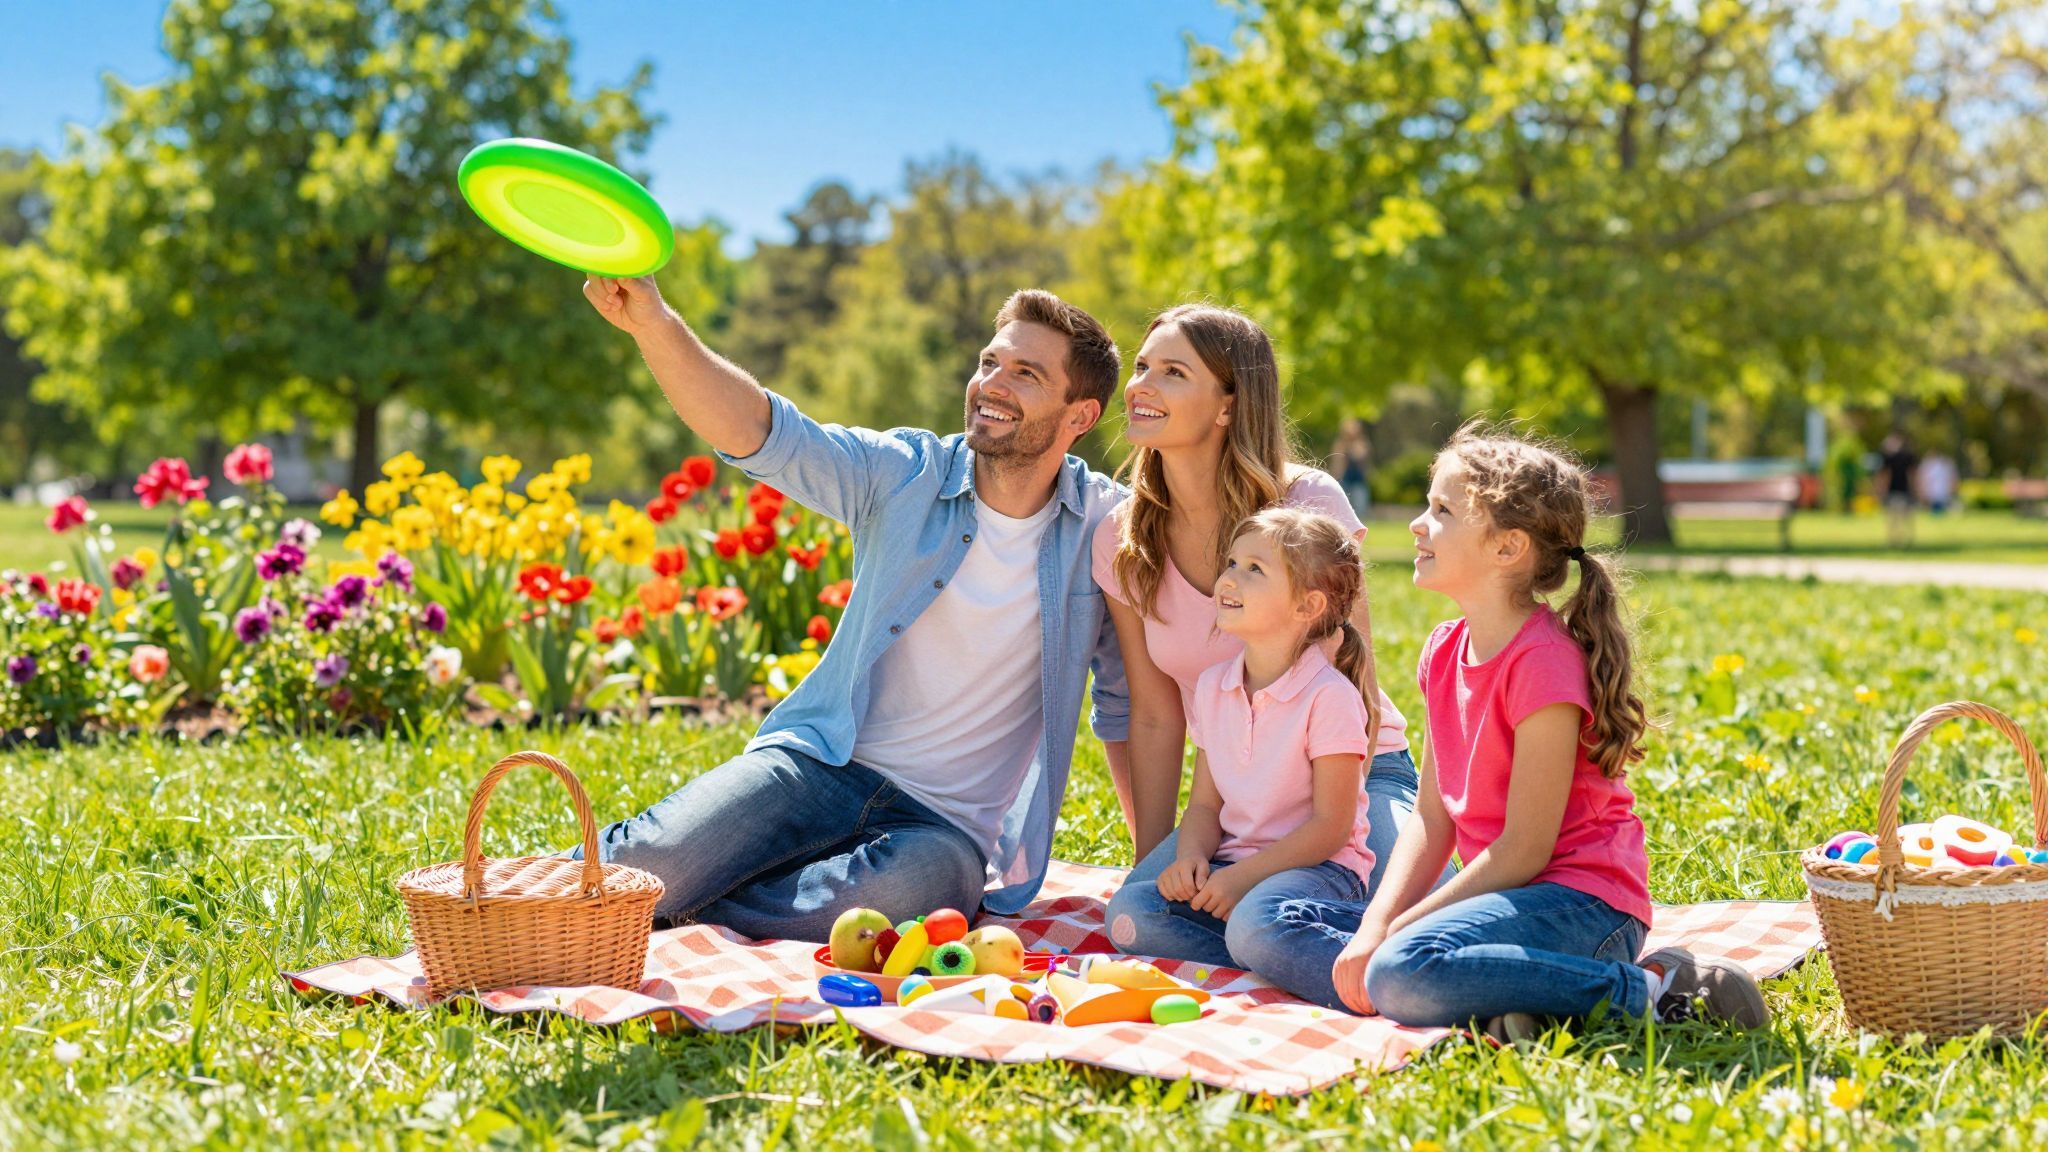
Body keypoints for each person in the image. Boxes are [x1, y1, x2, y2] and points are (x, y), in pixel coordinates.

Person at [573, 275, 1130, 940]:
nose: (993, 384)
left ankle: (690, 900)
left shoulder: (1106, 531)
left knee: (910, 899)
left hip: (941, 827)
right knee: (649, 863)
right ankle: (638, 885)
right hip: (819, 764)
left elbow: (1129, 705)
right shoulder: (905, 474)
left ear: (1080, 416)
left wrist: (1153, 867)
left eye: (1026, 373)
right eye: (989, 362)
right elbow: (761, 429)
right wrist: (655, 323)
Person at [1321, 425, 1769, 1037]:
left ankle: (1657, 987)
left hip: (1588, 905)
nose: (1418, 525)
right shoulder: (1444, 650)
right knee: (1384, 952)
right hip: (1510, 899)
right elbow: (1432, 818)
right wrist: (1377, 922)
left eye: (1443, 510)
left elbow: (1525, 849)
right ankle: (1533, 1004)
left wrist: (1402, 931)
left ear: (1508, 548)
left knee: (1401, 968)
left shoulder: (1543, 662)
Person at [1091, 304, 1425, 897]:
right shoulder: (1121, 537)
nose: (1140, 384)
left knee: (1405, 914)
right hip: (1235, 805)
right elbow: (1153, 714)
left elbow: (1356, 683)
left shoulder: (1307, 503)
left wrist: (1318, 837)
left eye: (1173, 371)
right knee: (1139, 916)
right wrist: (1153, 868)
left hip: (1353, 781)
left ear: (1228, 404)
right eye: (1142, 367)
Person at [1103, 508, 1385, 999]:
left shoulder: (1329, 696)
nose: (1229, 578)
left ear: (1307, 606)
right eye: (1232, 563)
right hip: (1238, 871)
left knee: (1253, 921)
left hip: (1320, 873)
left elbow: (1332, 828)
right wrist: (1191, 858)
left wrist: (1241, 881)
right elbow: (1206, 806)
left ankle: (1381, 977)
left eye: (1255, 569)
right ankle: (1278, 955)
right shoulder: (1215, 687)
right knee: (1129, 915)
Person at [1877, 432, 1920, 548]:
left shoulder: (1888, 458)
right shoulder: (1909, 456)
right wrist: (1915, 490)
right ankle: (1906, 539)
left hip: (1894, 491)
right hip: (1904, 491)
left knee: (1893, 518)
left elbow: (1885, 476)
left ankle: (1894, 540)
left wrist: (1881, 491)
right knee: (1906, 518)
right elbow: (1912, 475)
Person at [1332, 417, 1375, 518]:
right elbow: (1337, 462)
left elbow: (1360, 455)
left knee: (1360, 509)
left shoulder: (1362, 444)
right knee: (1342, 510)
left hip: (1358, 481)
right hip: (1344, 480)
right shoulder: (1340, 445)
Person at [1919, 450, 1958, 516]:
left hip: (1942, 493)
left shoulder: (1946, 465)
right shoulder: (1928, 465)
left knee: (1941, 512)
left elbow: (1952, 478)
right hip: (1932, 493)